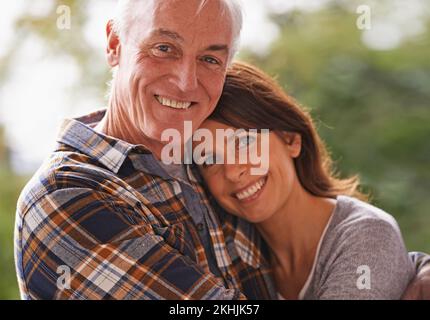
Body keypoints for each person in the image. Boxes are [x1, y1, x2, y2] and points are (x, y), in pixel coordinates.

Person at [14, 0, 277, 300]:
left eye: (209, 59)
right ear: (115, 44)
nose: (185, 82)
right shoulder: (64, 194)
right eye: (164, 48)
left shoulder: (216, 163)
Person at [194, 62, 418, 299]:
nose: (231, 171)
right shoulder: (236, 253)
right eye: (210, 159)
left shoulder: (368, 236)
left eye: (245, 142)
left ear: (290, 139)